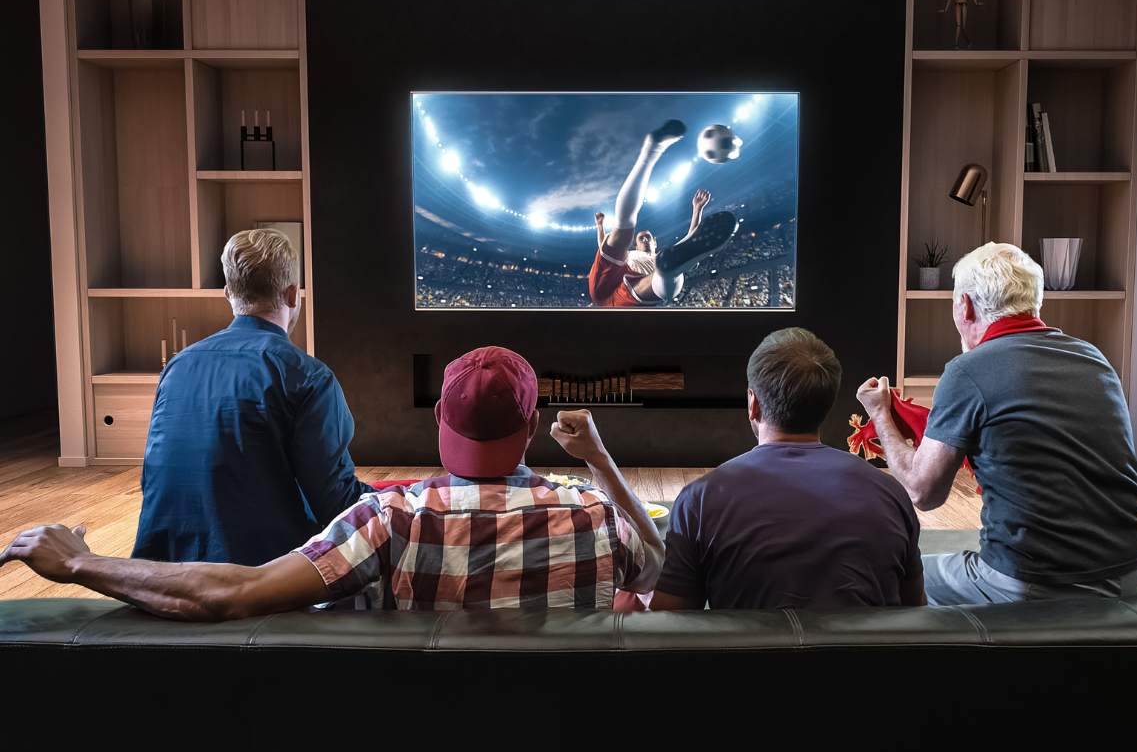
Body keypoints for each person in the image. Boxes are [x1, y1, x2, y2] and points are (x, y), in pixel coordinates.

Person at [0, 347, 664, 619]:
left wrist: (79, 561)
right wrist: (601, 462)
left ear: (440, 423)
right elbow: (660, 572)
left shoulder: (391, 516)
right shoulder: (593, 513)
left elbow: (233, 593)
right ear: (530, 428)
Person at [856, 242, 1137, 605]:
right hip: (1132, 573)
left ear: (964, 305)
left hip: (1035, 583)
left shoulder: (968, 370)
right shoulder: (1094, 358)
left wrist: (881, 414)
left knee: (880, 575)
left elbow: (922, 492)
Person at [132, 228, 372, 567]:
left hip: (161, 572)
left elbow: (154, 479)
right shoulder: (309, 377)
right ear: (293, 294)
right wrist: (401, 499)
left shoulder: (177, 366)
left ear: (228, 294)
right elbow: (337, 504)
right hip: (256, 580)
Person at [650, 328, 926, 610]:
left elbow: (671, 626)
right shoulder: (891, 493)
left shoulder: (699, 499)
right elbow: (914, 609)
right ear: (827, 404)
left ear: (752, 403)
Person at [588, 120, 738, 307]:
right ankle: (650, 153)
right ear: (636, 245)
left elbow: (692, 240)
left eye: (647, 237)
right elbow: (604, 248)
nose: (644, 239)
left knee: (669, 273)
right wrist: (600, 226)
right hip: (609, 280)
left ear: (655, 242)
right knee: (622, 229)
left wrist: (696, 209)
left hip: (635, 291)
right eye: (641, 238)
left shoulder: (661, 256)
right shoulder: (630, 254)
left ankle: (669, 273)